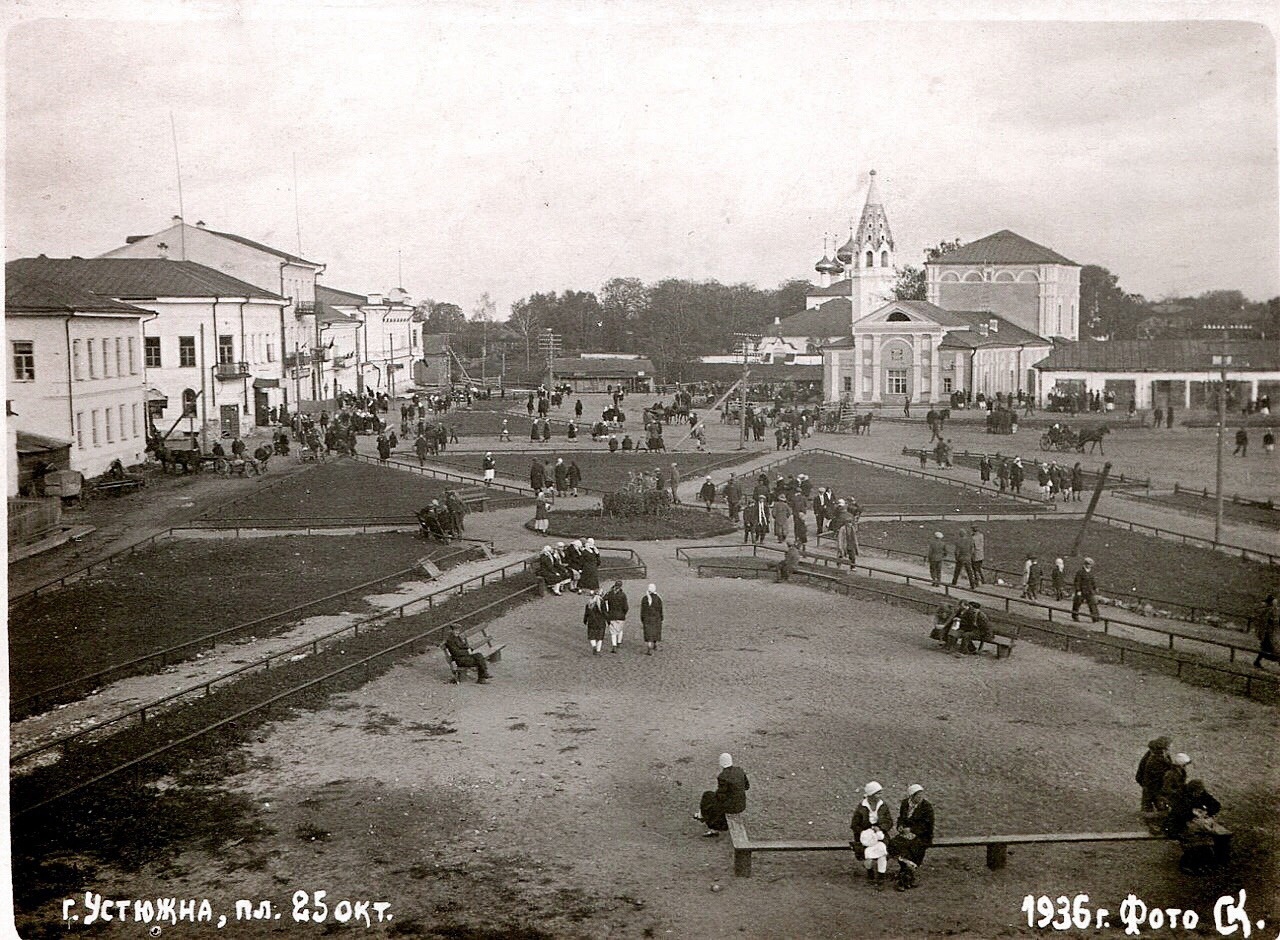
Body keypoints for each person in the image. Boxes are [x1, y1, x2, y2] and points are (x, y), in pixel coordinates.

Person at [1163, 780, 1227, 873]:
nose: (1199, 794)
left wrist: (1207, 812)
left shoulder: (1201, 793)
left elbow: (1216, 805)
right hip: (1176, 825)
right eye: (1197, 793)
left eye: (1200, 792)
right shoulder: (1179, 795)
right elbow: (1180, 813)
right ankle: (1187, 865)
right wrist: (1193, 813)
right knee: (1194, 839)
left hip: (1194, 823)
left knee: (1209, 837)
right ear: (1191, 791)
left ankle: (1208, 863)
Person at [889, 784, 934, 891]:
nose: (920, 798)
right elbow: (901, 818)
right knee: (893, 844)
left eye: (921, 795)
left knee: (912, 848)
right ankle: (908, 875)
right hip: (906, 834)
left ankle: (904, 879)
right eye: (917, 796)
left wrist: (912, 831)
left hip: (922, 835)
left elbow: (928, 825)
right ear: (911, 797)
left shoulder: (926, 807)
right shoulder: (905, 804)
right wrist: (900, 827)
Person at [850, 782, 894, 888]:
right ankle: (870, 873)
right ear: (871, 795)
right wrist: (865, 833)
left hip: (880, 835)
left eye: (880, 793)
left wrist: (880, 828)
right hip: (865, 837)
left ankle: (880, 879)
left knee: (882, 851)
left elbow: (889, 822)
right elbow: (854, 825)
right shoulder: (862, 807)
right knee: (868, 855)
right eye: (877, 793)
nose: (879, 796)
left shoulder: (883, 806)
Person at [695, 753, 749, 837]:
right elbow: (747, 786)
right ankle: (703, 816)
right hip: (741, 804)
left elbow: (721, 796)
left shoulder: (723, 777)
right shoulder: (740, 770)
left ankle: (708, 822)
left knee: (708, 797)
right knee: (713, 799)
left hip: (731, 807)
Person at [1136, 737, 1173, 813]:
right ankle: (1149, 817)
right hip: (1152, 784)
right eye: (1169, 746)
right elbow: (1160, 774)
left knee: (1156, 800)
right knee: (1149, 802)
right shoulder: (1154, 759)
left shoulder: (1163, 755)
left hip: (1152, 783)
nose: (1170, 747)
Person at [1254, 593, 1279, 670]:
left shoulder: (1272, 610)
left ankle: (1257, 661)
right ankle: (1257, 661)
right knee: (1270, 647)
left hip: (1270, 632)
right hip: (1268, 632)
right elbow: (1267, 621)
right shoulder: (1268, 610)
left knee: (1266, 648)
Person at [603, 580, 629, 653]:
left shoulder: (610, 594)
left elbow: (604, 599)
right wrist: (624, 613)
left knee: (613, 632)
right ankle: (619, 642)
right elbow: (626, 607)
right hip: (621, 615)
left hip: (611, 615)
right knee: (620, 630)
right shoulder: (623, 595)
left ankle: (614, 645)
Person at [1072, 557, 1100, 623]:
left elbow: (1093, 581)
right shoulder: (1080, 572)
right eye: (1088, 564)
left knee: (1092, 604)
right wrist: (1078, 590)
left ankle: (1095, 618)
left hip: (1089, 591)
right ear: (1085, 564)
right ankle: (1075, 616)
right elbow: (1077, 582)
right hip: (1081, 591)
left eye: (1090, 565)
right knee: (1077, 603)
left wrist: (1095, 587)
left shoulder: (1090, 572)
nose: (1090, 566)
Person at [640, 583, 664, 654]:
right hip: (656, 618)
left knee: (648, 632)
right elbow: (660, 609)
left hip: (647, 618)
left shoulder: (645, 599)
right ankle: (655, 645)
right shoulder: (658, 598)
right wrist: (661, 617)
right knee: (656, 631)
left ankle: (649, 648)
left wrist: (642, 618)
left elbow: (642, 610)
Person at [584, 590, 608, 655]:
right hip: (601, 622)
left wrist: (585, 620)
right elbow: (605, 612)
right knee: (600, 637)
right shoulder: (602, 603)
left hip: (591, 621)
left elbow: (586, 613)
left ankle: (594, 646)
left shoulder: (589, 603)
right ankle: (598, 650)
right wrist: (608, 620)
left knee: (592, 636)